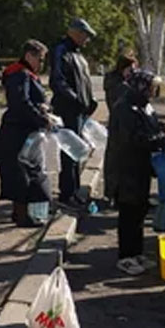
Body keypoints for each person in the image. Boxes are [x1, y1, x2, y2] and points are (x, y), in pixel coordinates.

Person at [108, 71, 165, 276]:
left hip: (142, 168)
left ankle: (136, 253)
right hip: (126, 168)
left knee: (139, 210)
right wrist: (163, 141)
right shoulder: (124, 108)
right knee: (128, 213)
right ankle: (125, 256)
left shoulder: (144, 105)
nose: (153, 91)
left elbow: (153, 127)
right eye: (151, 87)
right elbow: (134, 140)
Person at [0, 39, 54, 228]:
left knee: (25, 172)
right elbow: (21, 103)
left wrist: (44, 109)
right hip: (17, 132)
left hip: (25, 130)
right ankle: (22, 215)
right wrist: (41, 117)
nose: (41, 64)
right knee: (20, 175)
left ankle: (21, 212)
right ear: (29, 55)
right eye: (40, 59)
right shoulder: (19, 75)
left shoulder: (25, 74)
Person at [50, 18, 98, 208]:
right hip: (67, 110)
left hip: (79, 111)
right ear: (75, 33)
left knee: (77, 152)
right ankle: (67, 193)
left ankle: (75, 191)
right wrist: (75, 99)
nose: (86, 39)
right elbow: (58, 80)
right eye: (84, 35)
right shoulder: (61, 50)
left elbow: (84, 83)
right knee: (69, 153)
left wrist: (89, 101)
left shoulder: (78, 55)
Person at [102, 52, 138, 204]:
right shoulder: (120, 86)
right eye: (131, 69)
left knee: (113, 160)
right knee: (118, 161)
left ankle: (112, 191)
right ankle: (115, 192)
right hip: (120, 125)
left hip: (115, 123)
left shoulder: (113, 82)